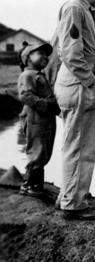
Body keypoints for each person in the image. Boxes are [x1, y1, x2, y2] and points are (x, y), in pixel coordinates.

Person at [54, 0, 95, 221]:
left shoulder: (80, 7)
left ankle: (68, 196)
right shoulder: (75, 7)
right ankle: (73, 204)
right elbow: (70, 53)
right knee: (80, 147)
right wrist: (89, 82)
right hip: (78, 85)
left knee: (75, 145)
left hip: (76, 83)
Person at [17, 43, 60, 200]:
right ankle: (28, 186)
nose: (45, 57)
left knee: (44, 151)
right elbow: (25, 96)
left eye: (47, 54)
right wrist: (48, 104)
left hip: (45, 119)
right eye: (40, 53)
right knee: (37, 150)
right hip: (35, 118)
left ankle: (38, 186)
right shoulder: (27, 75)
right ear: (28, 57)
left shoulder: (40, 75)